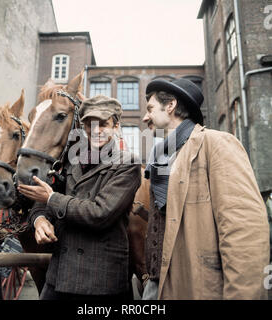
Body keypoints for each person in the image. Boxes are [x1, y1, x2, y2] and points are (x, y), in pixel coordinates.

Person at [141, 78, 269, 300]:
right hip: (157, 285)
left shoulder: (217, 144)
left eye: (150, 108)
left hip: (198, 288)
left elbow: (244, 233)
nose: (145, 117)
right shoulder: (162, 158)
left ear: (170, 105)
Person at [18, 95, 141, 300]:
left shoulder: (127, 164)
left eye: (103, 124)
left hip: (101, 283)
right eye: (88, 125)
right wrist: (39, 220)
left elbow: (99, 213)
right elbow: (42, 201)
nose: (95, 130)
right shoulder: (70, 161)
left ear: (116, 125)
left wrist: (51, 199)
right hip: (58, 277)